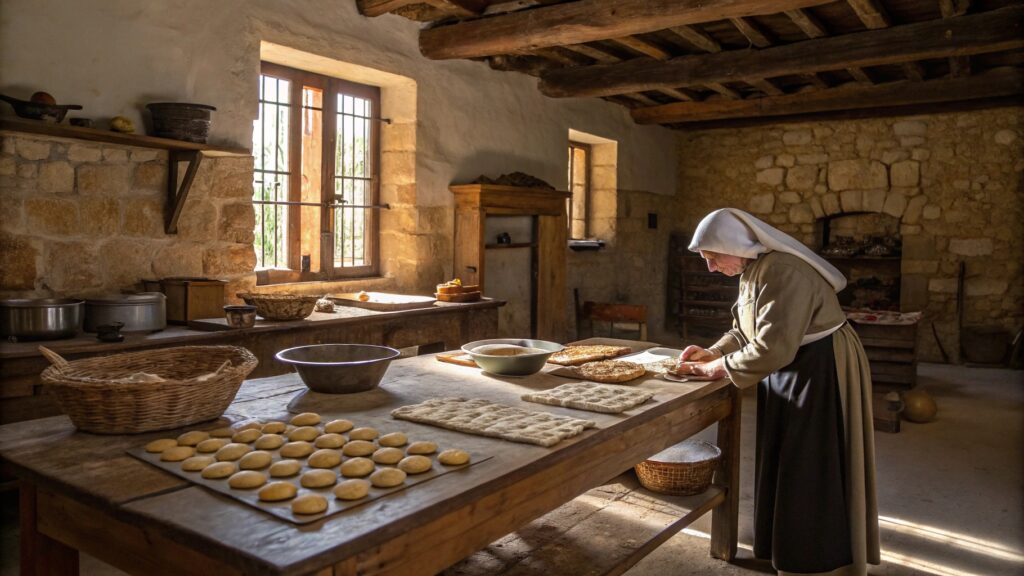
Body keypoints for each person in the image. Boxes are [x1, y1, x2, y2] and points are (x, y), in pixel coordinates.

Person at [673, 208, 880, 576]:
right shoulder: (752, 271)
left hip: (820, 368)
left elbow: (772, 348)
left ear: (733, 245)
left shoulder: (783, 271)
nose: (711, 267)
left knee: (812, 462)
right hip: (790, 368)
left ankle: (818, 561)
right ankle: (786, 550)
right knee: (786, 459)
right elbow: (745, 330)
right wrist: (716, 351)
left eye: (713, 257)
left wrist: (713, 369)